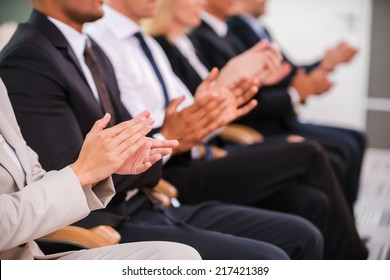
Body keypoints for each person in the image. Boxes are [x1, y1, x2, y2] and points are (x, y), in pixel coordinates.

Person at [0, 0, 324, 260]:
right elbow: (68, 170)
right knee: (273, 254)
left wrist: (178, 135)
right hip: (109, 221)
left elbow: (132, 136)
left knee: (302, 226)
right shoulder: (28, 58)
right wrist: (171, 135)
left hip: (148, 198)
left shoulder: (88, 49)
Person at [86, 0, 366, 259]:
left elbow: (190, 114)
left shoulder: (146, 43)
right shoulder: (102, 43)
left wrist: (226, 93)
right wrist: (224, 90)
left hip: (193, 154)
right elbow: (162, 127)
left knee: (309, 201)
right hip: (168, 171)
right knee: (308, 153)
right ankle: (356, 260)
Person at [0, 78, 203, 260]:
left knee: (178, 258)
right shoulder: (30, 60)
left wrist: (101, 170)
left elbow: (32, 178)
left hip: (31, 254)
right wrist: (80, 173)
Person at [228, 0, 365, 210]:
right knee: (343, 149)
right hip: (265, 124)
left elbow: (288, 72)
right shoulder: (236, 29)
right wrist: (297, 91)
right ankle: (343, 227)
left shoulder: (260, 29)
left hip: (281, 115)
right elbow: (272, 84)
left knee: (355, 139)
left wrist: (323, 65)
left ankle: (346, 222)